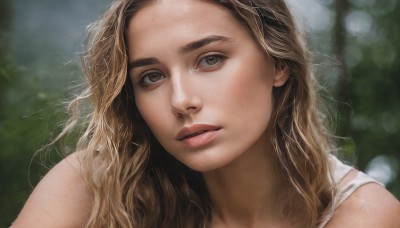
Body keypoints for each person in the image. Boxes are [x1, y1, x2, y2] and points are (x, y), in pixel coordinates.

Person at [12, 0, 400, 227]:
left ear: (278, 63)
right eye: (151, 77)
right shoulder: (96, 184)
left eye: (210, 59)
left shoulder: (362, 215)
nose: (181, 100)